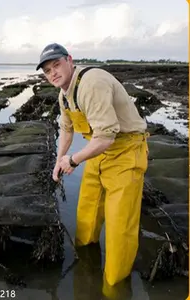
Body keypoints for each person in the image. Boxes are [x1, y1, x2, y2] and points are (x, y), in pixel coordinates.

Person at [36, 43, 149, 287]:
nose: (53, 73)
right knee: (86, 214)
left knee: (119, 228)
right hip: (98, 152)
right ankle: (86, 268)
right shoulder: (64, 94)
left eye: (56, 65)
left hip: (126, 151)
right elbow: (66, 130)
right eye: (47, 70)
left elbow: (107, 136)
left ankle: (114, 286)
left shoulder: (92, 83)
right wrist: (59, 161)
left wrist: (74, 159)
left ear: (70, 60)